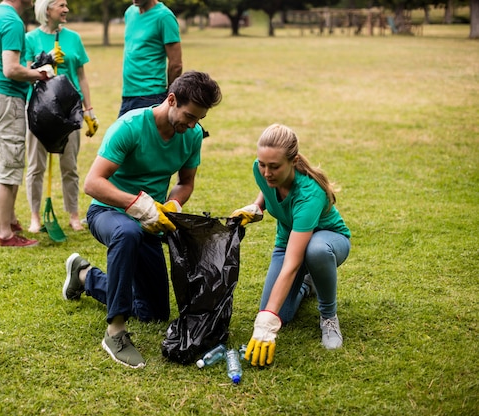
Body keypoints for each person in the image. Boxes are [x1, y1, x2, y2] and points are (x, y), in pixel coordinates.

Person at [62, 71, 222, 368]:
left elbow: (186, 181)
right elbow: (93, 183)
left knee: (153, 312)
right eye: (188, 116)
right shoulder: (130, 127)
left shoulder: (192, 135)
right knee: (127, 233)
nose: (191, 126)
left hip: (151, 222)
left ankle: (84, 276)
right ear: (171, 99)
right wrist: (139, 205)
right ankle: (115, 331)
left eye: (198, 119)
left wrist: (172, 203)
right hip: (110, 213)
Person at [231, 123, 351, 367]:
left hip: (329, 240)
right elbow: (267, 187)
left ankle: (328, 316)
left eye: (274, 166)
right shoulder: (262, 170)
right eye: (262, 164)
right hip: (289, 242)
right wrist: (257, 206)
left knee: (313, 251)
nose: (266, 172)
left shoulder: (309, 193)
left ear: (293, 161)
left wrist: (265, 325)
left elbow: (292, 263)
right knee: (279, 314)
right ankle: (309, 284)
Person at [0, 0, 55, 247]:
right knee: (9, 169)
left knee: (7, 161)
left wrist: (31, 67)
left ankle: (9, 220)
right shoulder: (12, 21)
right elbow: (10, 69)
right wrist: (40, 74)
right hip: (6, 99)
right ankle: (5, 234)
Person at [24, 0, 97, 233]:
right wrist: (46, 60)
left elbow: (81, 77)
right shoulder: (30, 39)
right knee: (36, 166)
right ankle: (35, 217)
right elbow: (27, 73)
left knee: (70, 166)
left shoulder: (74, 38)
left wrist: (88, 109)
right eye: (61, 5)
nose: (66, 9)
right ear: (47, 9)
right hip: (39, 109)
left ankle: (74, 215)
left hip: (69, 108)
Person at [118, 0, 183, 117]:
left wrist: (168, 97)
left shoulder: (165, 17)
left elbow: (176, 64)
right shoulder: (130, 12)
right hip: (128, 93)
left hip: (151, 96)